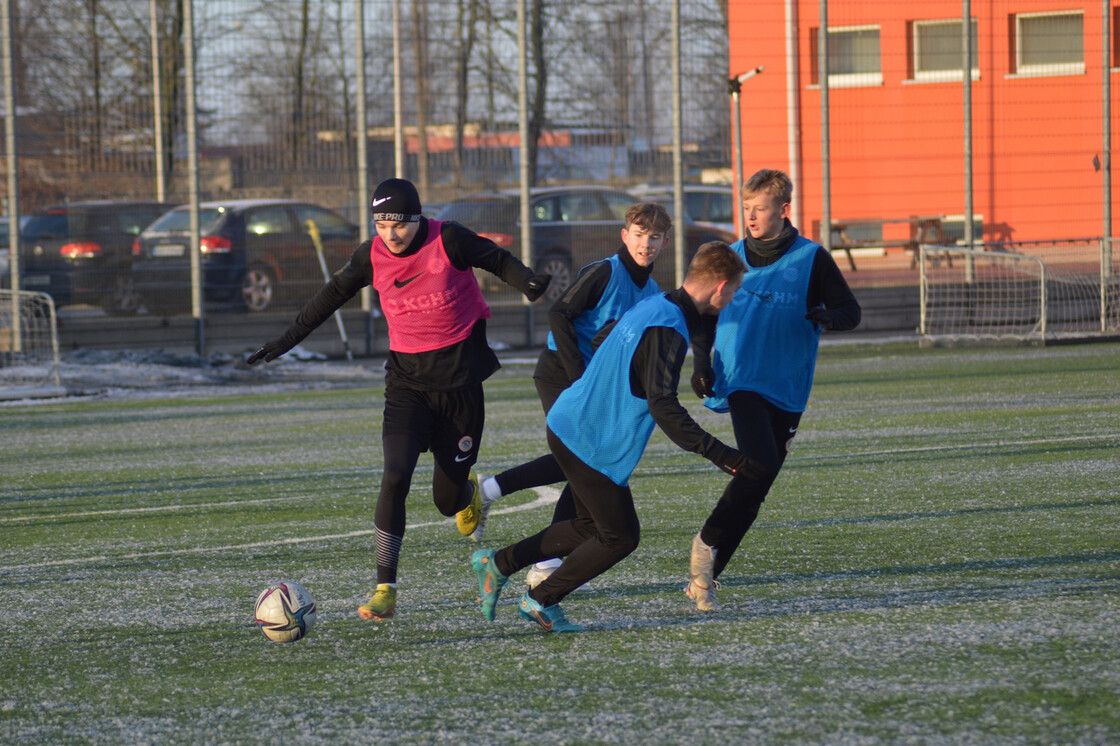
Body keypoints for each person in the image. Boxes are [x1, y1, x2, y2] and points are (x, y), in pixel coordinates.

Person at [246, 178, 551, 621]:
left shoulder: (447, 239)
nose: (390, 234)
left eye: (399, 224)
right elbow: (330, 296)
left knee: (447, 503)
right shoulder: (371, 255)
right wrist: (285, 340)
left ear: (417, 218)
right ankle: (384, 587)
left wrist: (526, 281)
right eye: (381, 223)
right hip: (406, 387)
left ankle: (469, 492)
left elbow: (495, 257)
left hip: (460, 388)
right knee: (395, 474)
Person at [470, 241, 757, 633]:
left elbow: (602, 338)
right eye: (735, 291)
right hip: (589, 439)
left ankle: (499, 563)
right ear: (721, 287)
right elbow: (664, 407)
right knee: (620, 537)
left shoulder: (657, 305)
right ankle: (539, 600)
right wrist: (724, 454)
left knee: (592, 528)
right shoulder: (667, 326)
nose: (733, 299)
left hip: (571, 423)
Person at [685, 168, 862, 611]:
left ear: (783, 210)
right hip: (741, 378)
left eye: (758, 208)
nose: (750, 216)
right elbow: (703, 312)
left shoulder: (811, 259)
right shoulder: (729, 256)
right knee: (758, 465)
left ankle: (705, 577)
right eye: (745, 208)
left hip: (787, 386)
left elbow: (850, 311)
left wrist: (828, 316)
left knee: (757, 485)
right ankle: (705, 545)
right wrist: (701, 362)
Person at [471, 202, 672, 587]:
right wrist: (580, 377)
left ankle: (531, 544)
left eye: (655, 237)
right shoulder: (604, 272)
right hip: (561, 371)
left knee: (585, 465)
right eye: (640, 234)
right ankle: (497, 501)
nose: (646, 243)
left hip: (592, 385)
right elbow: (559, 314)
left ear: (665, 243)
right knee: (581, 461)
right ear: (624, 235)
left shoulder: (651, 293)